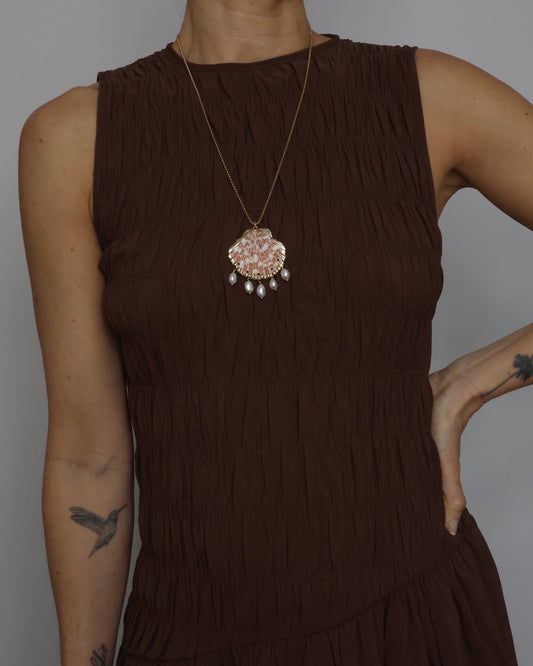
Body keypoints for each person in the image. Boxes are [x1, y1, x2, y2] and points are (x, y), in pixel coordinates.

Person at [18, 0, 533, 664]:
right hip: (189, 639)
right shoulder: (71, 140)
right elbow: (89, 458)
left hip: (413, 625)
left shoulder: (432, 98)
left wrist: (474, 381)